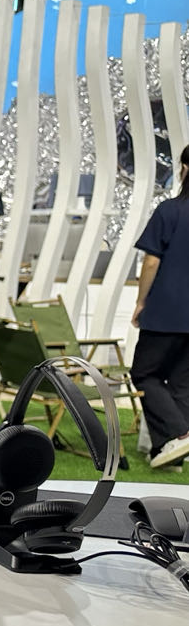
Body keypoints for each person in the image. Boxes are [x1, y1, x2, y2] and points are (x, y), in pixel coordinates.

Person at [132, 146, 189, 468]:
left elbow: (151, 261)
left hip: (166, 311)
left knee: (144, 374)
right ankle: (171, 455)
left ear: (184, 168)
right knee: (182, 384)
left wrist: (141, 301)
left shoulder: (170, 210)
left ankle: (179, 434)